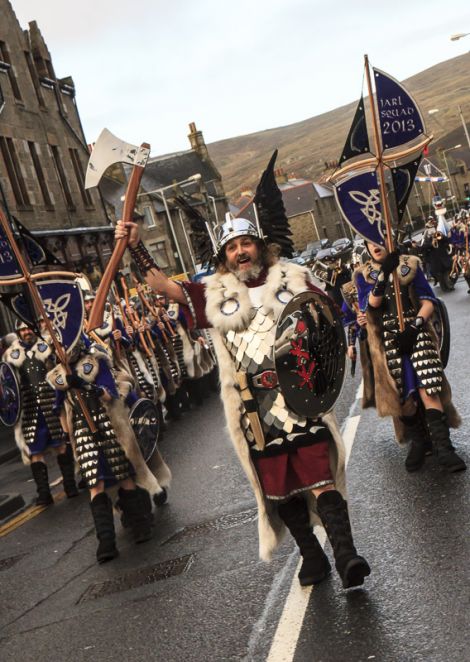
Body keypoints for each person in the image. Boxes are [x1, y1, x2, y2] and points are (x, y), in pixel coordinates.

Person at [114, 207, 370, 591]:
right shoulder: (213, 295)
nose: (240, 252)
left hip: (300, 395)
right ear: (224, 257)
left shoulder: (293, 278)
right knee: (280, 488)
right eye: (232, 247)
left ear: (260, 247)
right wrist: (137, 248)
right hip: (255, 408)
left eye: (246, 243)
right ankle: (311, 556)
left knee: (319, 475)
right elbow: (164, 287)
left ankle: (346, 555)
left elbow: (327, 316)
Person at [47, 336, 171, 563]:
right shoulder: (57, 375)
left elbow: (109, 394)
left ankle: (140, 525)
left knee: (124, 477)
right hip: (83, 432)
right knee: (96, 485)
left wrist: (84, 385)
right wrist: (66, 435)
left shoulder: (96, 362)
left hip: (108, 425)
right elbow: (61, 409)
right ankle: (106, 542)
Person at [354, 241, 466, 473]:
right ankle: (420, 441)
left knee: (429, 388)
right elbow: (371, 305)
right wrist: (384, 272)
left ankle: (444, 448)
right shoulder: (363, 275)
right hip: (389, 342)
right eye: (370, 241)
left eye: (380, 240)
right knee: (403, 397)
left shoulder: (410, 264)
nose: (376, 245)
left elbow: (428, 302)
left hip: (415, 334)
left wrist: (415, 326)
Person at [3, 321, 78, 504]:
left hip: (50, 403)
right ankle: (44, 493)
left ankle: (70, 485)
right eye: (22, 330)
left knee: (60, 445)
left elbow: (59, 369)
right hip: (29, 409)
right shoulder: (11, 355)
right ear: (18, 333)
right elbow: (8, 384)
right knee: (35, 452)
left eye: (28, 328)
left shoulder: (46, 347)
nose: (26, 332)